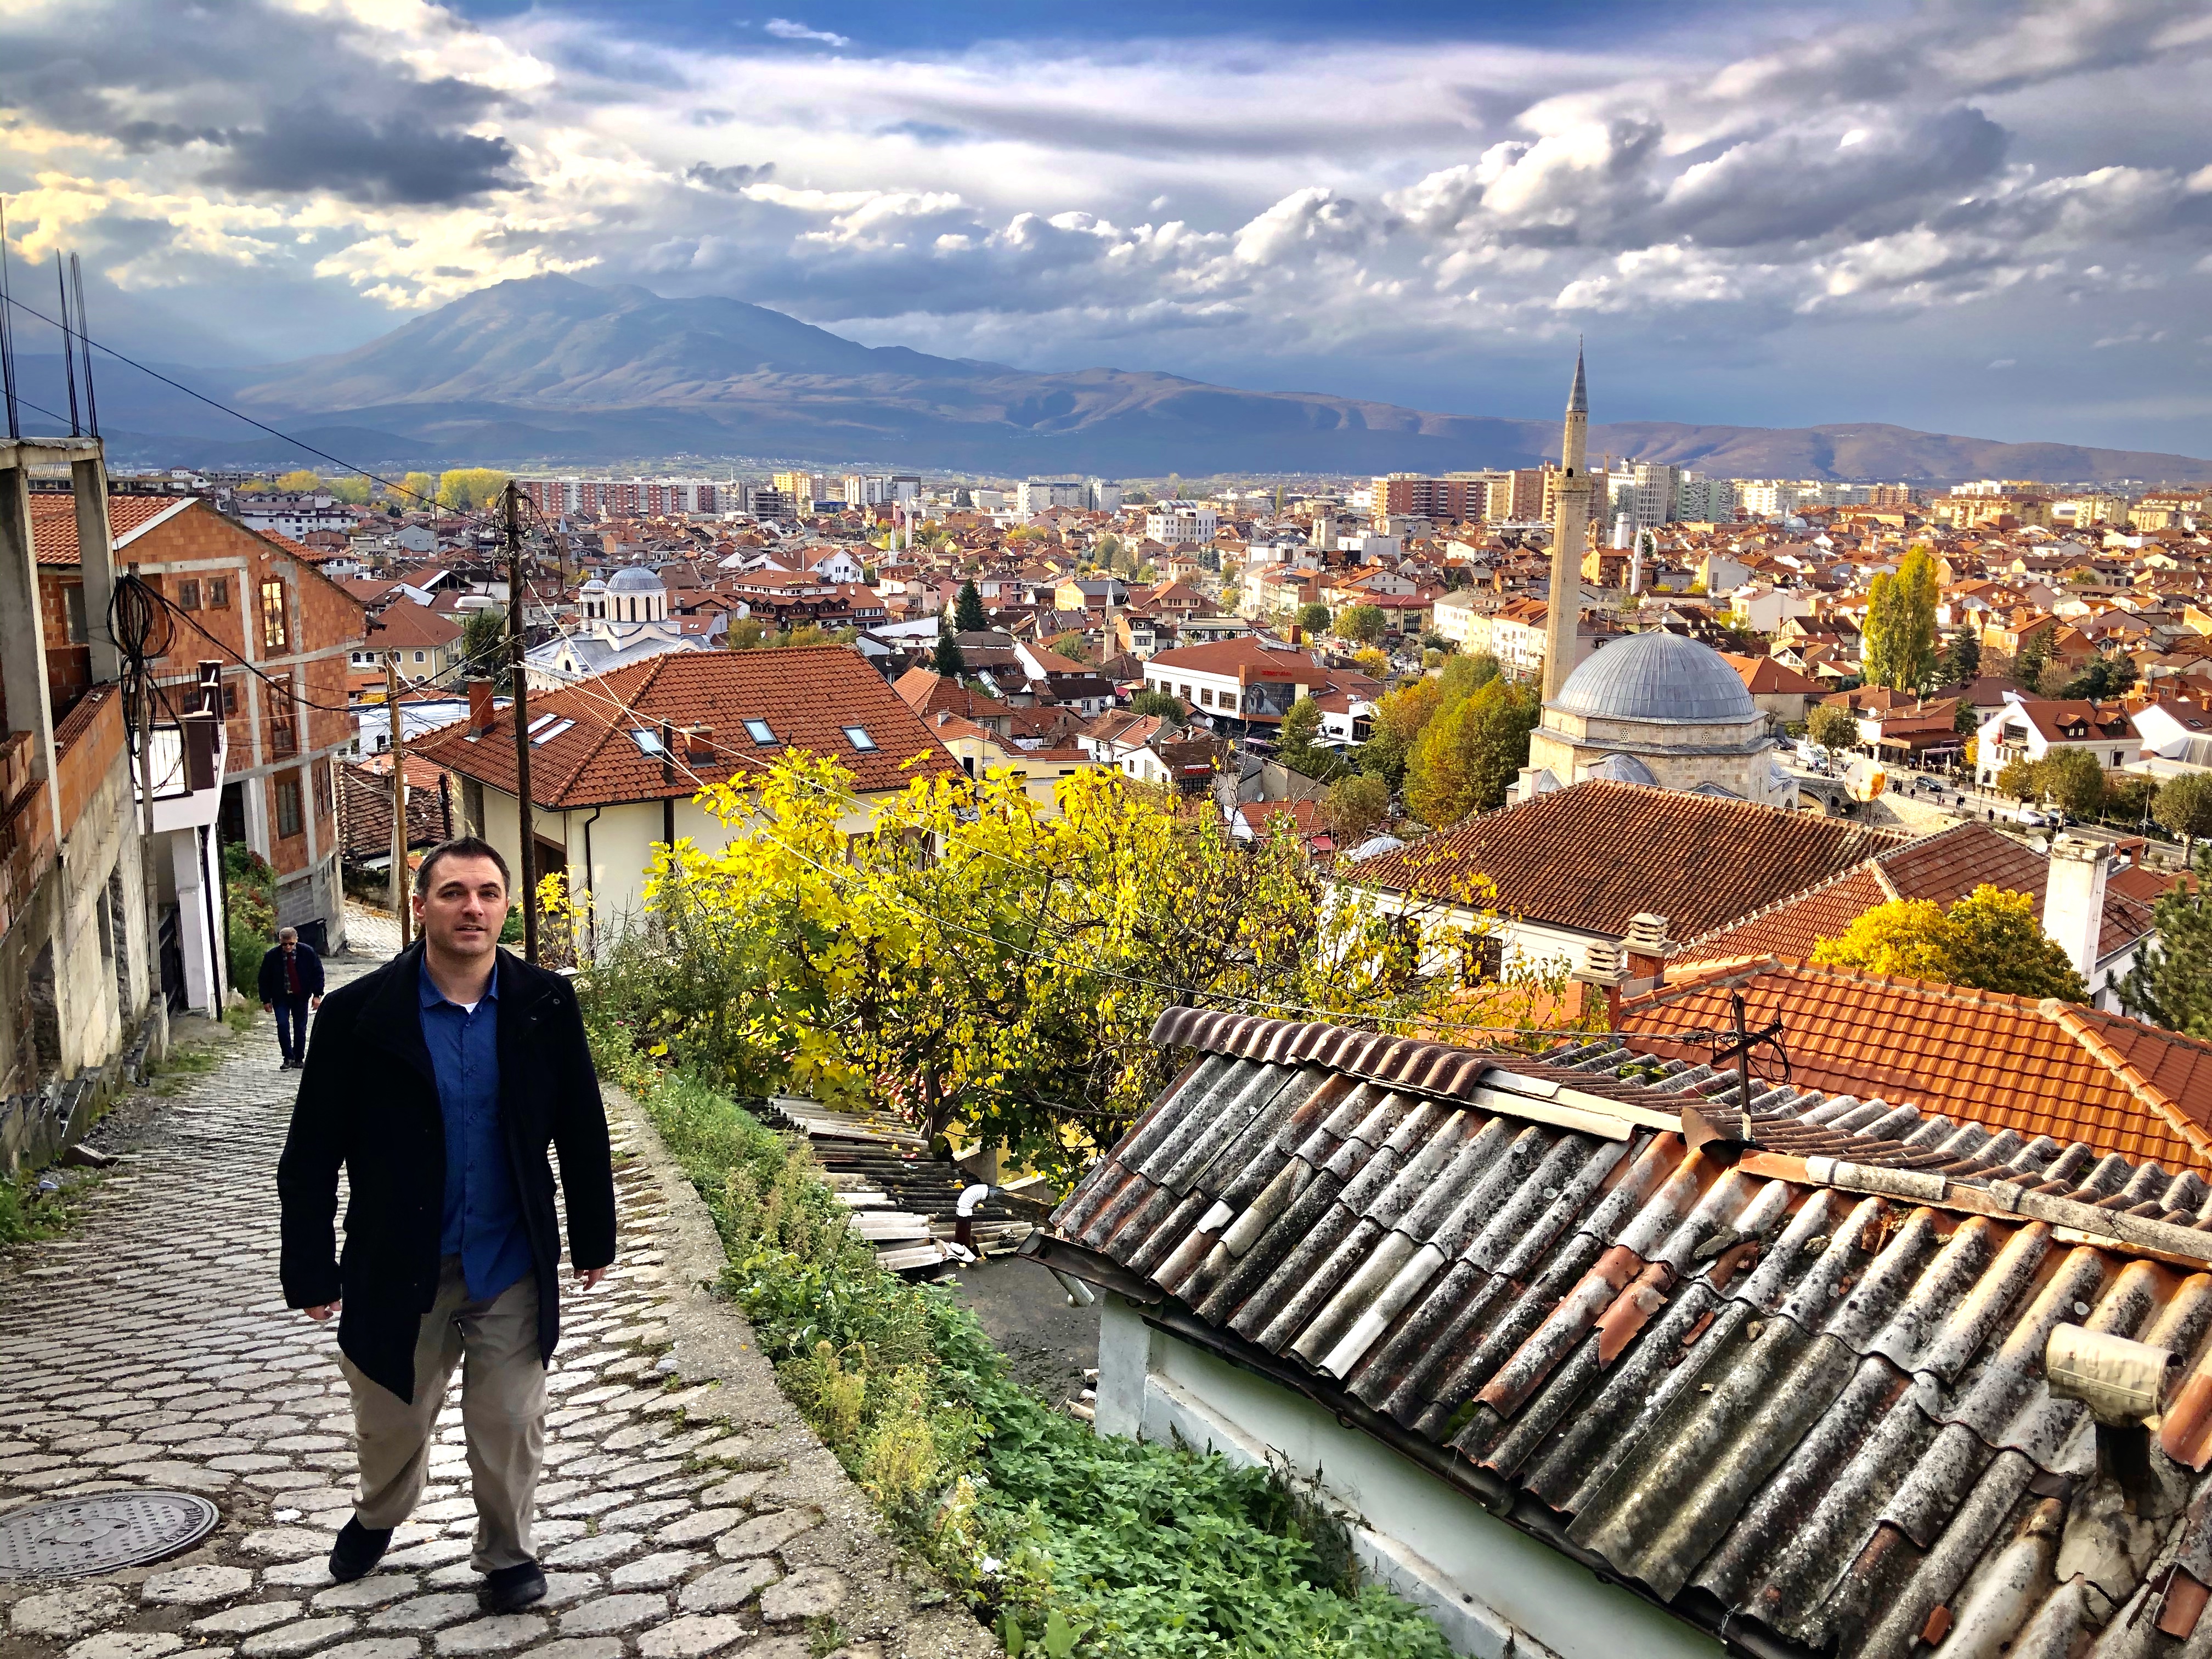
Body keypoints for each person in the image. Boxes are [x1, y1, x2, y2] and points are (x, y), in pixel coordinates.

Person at [276, 836, 616, 1613]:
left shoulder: (544, 1003)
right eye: (455, 892)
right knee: (391, 1421)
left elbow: (582, 1128)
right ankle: (379, 1514)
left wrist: (594, 1236)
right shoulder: (361, 1016)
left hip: (508, 1261)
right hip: (398, 1266)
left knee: (509, 1420)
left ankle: (508, 1557)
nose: (473, 907)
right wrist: (311, 1268)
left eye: (489, 893)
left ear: (505, 906)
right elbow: (312, 1154)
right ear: (421, 904)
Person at [258, 927, 325, 1070]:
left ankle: (299, 1058)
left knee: (300, 1028)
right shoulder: (272, 956)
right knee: (282, 1025)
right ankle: (288, 1057)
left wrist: (317, 995)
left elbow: (318, 973)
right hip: (280, 996)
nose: (288, 947)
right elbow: (264, 978)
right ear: (280, 942)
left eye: (291, 944)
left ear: (296, 941)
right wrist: (266, 1000)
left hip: (300, 996)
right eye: (284, 944)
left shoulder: (307, 953)